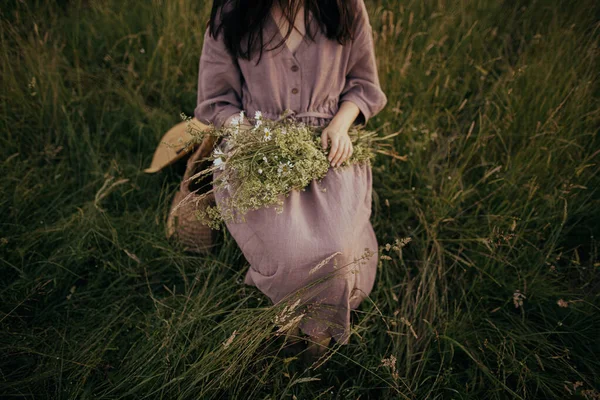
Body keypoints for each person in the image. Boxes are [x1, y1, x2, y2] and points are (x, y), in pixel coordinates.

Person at [194, 0, 387, 358]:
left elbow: (363, 84)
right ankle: (299, 327)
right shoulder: (233, 11)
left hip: (327, 144)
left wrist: (341, 126)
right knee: (294, 252)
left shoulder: (345, 7)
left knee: (339, 252)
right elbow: (215, 101)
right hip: (255, 147)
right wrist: (253, 140)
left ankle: (313, 330)